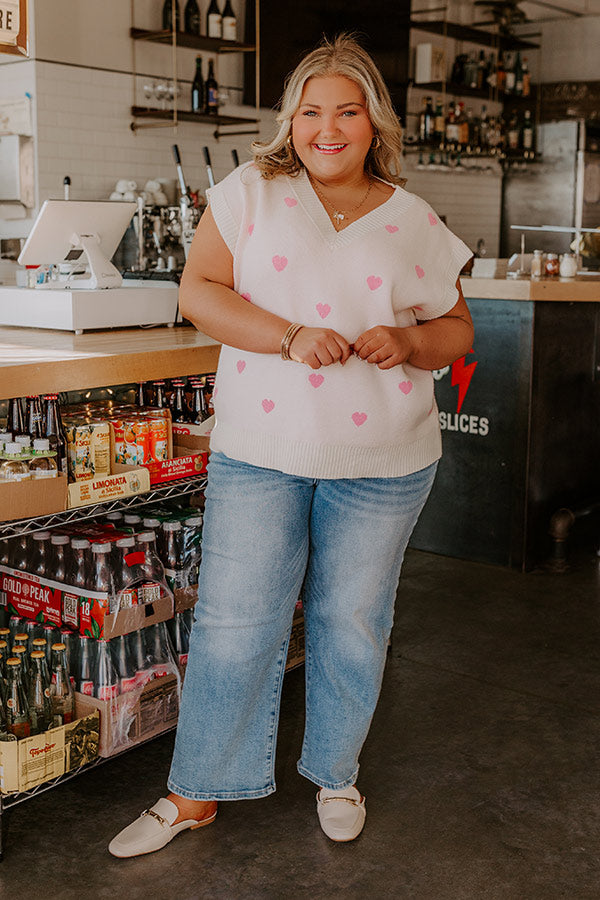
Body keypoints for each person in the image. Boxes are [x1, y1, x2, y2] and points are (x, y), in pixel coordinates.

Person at [109, 33, 474, 858]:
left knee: (352, 620)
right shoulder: (251, 193)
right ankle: (195, 791)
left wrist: (409, 344)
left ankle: (336, 770)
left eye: (346, 110)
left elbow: (455, 327)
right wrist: (289, 336)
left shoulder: (412, 217)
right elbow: (196, 289)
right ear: (291, 122)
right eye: (311, 111)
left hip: (384, 461)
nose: (327, 127)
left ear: (373, 121)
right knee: (237, 622)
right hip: (262, 447)